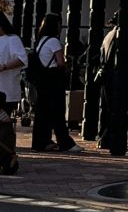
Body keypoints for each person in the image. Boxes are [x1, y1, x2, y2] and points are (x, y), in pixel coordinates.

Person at [31, 13, 75, 153]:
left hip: (42, 80)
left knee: (42, 112)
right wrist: (67, 62)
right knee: (57, 111)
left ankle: (41, 141)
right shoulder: (54, 41)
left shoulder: (40, 41)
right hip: (54, 79)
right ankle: (65, 142)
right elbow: (60, 62)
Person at [0, 11, 28, 174]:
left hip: (6, 91)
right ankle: (5, 157)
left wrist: (3, 66)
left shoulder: (12, 40)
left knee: (3, 127)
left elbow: (22, 59)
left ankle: (6, 158)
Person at [96, 13, 120, 149]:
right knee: (114, 107)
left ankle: (103, 137)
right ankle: (109, 137)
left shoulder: (109, 35)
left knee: (106, 107)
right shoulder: (118, 35)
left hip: (105, 73)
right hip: (113, 75)